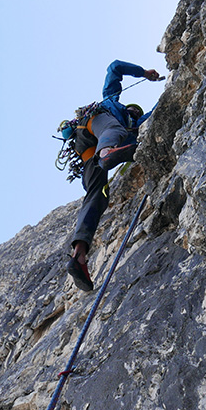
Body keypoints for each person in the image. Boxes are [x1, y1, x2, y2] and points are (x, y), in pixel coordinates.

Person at [67, 60, 161, 291]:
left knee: (97, 195)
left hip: (89, 150)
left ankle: (79, 253)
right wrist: (143, 73)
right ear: (128, 107)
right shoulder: (112, 102)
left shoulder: (137, 125)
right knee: (115, 132)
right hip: (97, 125)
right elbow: (115, 67)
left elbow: (159, 110)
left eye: (137, 112)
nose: (135, 112)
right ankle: (108, 154)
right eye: (134, 110)